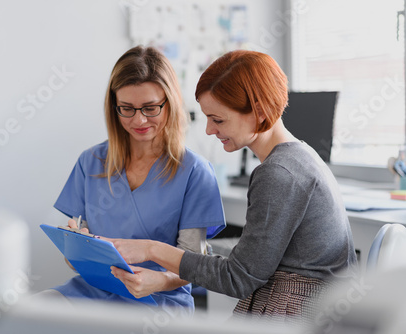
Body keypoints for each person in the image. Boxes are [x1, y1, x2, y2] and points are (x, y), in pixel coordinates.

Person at [110, 50, 358, 323]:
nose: (208, 130)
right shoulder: (301, 155)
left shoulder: (277, 173)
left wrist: (151, 249)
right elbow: (250, 263)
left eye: (218, 120)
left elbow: (238, 279)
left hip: (296, 315)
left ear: (259, 111)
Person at [47, 45, 226, 315]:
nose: (139, 119)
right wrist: (75, 248)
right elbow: (75, 257)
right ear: (114, 106)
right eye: (126, 109)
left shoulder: (194, 172)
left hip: (158, 300)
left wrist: (159, 280)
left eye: (151, 107)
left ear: (170, 102)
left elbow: (193, 267)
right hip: (93, 292)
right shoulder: (91, 162)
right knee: (25, 315)